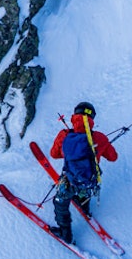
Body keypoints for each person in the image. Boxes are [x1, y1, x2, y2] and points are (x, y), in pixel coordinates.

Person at [49, 101, 118, 244]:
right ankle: (84, 205)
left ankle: (65, 233)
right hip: (89, 180)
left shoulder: (64, 135)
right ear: (92, 118)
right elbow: (113, 157)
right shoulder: (99, 138)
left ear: (74, 116)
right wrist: (101, 147)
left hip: (69, 180)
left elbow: (54, 154)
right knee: (85, 188)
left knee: (60, 203)